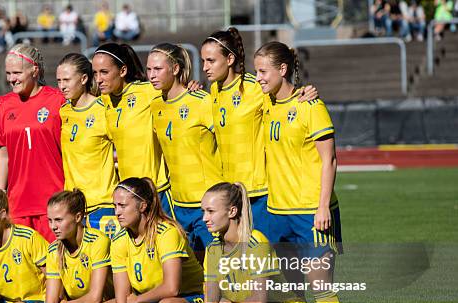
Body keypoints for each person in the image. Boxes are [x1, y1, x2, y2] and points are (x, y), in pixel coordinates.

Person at [254, 41, 343, 303]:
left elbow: (329, 160)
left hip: (311, 212)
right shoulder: (265, 103)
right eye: (257, 71)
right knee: (290, 291)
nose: (258, 78)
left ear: (283, 70)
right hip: (277, 212)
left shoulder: (311, 106)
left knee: (320, 287)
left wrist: (323, 208)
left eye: (264, 72)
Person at [201, 28, 317, 238]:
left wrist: (303, 91)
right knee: (243, 264)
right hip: (232, 195)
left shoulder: (255, 87)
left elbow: (284, 97)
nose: (205, 67)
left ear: (229, 59)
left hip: (259, 194)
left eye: (210, 60)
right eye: (203, 61)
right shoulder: (214, 90)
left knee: (269, 261)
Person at [88, 178, 204, 303]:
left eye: (123, 205)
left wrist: (138, 300)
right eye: (115, 206)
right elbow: (123, 296)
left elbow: (172, 287)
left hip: (192, 300)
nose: (116, 212)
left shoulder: (166, 232)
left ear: (143, 206)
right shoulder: (120, 240)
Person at [19, 189, 110, 303]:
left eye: (59, 220)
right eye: (50, 220)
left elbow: (96, 297)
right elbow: (51, 302)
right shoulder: (54, 250)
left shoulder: (97, 241)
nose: (53, 226)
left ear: (78, 217)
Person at [146, 43, 222, 257]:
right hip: (177, 205)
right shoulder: (155, 106)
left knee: (220, 268)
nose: (151, 75)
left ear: (176, 69)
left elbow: (226, 141)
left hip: (207, 203)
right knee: (193, 272)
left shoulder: (201, 101)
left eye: (158, 69)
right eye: (149, 69)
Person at [0, 44, 65, 242]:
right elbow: (2, 153)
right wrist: (0, 193)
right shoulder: (2, 105)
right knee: (23, 269)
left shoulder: (58, 101)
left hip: (55, 202)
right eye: (8, 73)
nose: (11, 79)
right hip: (18, 205)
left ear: (35, 70)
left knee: (56, 268)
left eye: (16, 72)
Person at [92, 43, 173, 217]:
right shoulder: (104, 101)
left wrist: (192, 86)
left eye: (104, 72)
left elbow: (177, 91)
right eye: (95, 73)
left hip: (157, 191)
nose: (98, 79)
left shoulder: (148, 91)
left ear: (122, 71)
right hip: (129, 194)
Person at [56, 53, 119, 238]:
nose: (62, 85)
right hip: (73, 207)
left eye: (67, 79)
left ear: (84, 79)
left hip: (103, 204)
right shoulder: (63, 111)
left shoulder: (104, 109)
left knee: (110, 265)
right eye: (59, 80)